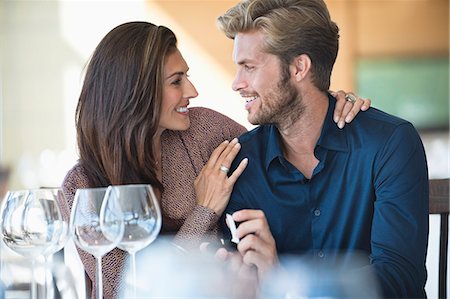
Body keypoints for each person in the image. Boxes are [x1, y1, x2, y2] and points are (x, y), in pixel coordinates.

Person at [60, 21, 369, 298]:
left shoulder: (206, 132)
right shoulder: (81, 187)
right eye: (176, 81)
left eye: (187, 77)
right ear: (135, 92)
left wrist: (326, 105)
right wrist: (204, 211)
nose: (192, 91)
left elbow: (283, 140)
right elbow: (125, 290)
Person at [217, 1, 429, 298]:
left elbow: (400, 280)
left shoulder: (388, 144)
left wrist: (284, 279)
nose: (236, 83)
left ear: (299, 67)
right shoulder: (242, 163)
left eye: (249, 67)